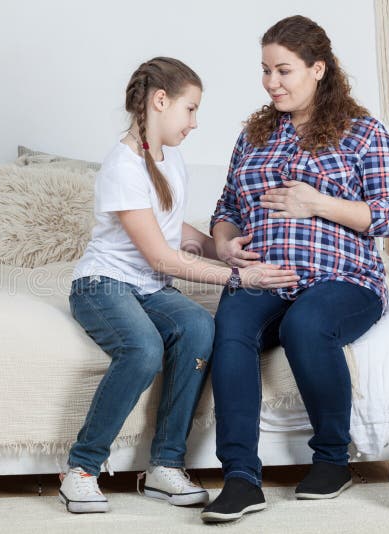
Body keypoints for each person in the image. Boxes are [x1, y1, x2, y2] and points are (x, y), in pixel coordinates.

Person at [60, 57, 300, 514]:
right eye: (190, 109)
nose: (194, 122)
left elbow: (175, 235)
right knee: (143, 349)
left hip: (148, 287)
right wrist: (240, 276)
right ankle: (82, 469)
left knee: (199, 328)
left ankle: (164, 466)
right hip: (102, 284)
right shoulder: (122, 166)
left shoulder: (172, 159)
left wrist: (223, 250)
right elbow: (161, 257)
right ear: (160, 101)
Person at [200, 16, 389, 523]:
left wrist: (319, 203)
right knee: (229, 328)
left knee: (306, 325)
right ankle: (241, 478)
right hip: (265, 274)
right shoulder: (254, 135)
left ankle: (332, 460)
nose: (273, 82)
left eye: (284, 70)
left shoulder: (362, 132)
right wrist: (226, 244)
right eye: (266, 71)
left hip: (342, 277)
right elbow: (227, 205)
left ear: (318, 69)